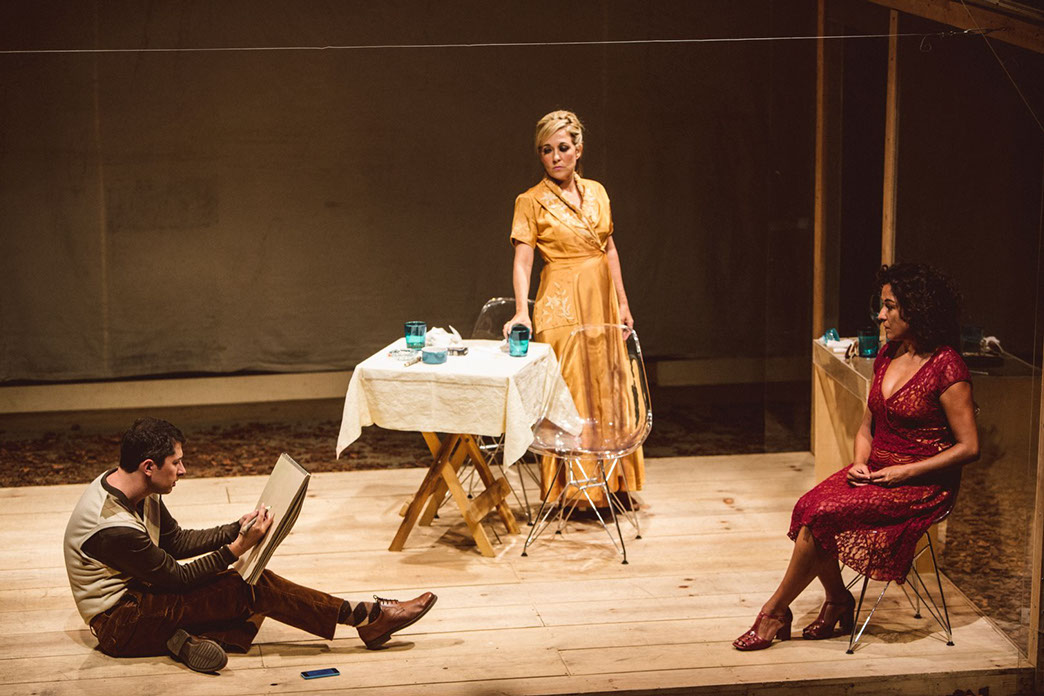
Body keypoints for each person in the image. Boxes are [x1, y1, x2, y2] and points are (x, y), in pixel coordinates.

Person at [64, 417, 437, 673]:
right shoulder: (112, 527)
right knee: (250, 589)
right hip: (123, 624)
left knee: (245, 586)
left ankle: (184, 640)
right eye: (176, 463)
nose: (183, 470)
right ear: (149, 466)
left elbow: (175, 541)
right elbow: (175, 577)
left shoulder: (134, 487)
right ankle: (368, 618)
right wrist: (238, 548)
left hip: (144, 598)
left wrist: (234, 529)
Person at [733, 262, 979, 651]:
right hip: (876, 470)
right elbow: (866, 426)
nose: (880, 315)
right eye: (882, 305)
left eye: (890, 306)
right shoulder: (888, 354)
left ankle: (775, 611)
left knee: (823, 515)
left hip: (921, 484)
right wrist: (860, 461)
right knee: (809, 507)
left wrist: (905, 472)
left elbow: (969, 447)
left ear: (918, 309)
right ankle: (837, 599)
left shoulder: (947, 367)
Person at [504, 109, 643, 506]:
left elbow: (609, 248)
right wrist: (521, 311)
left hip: (600, 299)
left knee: (608, 383)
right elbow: (523, 261)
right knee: (569, 391)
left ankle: (611, 485)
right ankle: (573, 490)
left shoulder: (597, 192)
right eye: (546, 150)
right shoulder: (530, 201)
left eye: (563, 148)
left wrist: (622, 302)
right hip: (561, 302)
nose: (555, 157)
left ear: (578, 150)